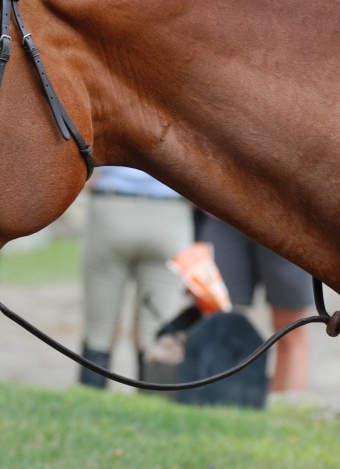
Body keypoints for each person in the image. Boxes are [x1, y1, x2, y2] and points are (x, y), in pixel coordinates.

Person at [79, 166, 192, 388]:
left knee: (99, 327)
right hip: (168, 211)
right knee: (157, 327)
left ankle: (90, 396)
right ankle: (152, 402)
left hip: (112, 207)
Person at [197, 214, 313, 394]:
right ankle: (221, 404)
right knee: (218, 324)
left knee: (290, 329)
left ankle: (287, 406)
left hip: (286, 216)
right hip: (224, 215)